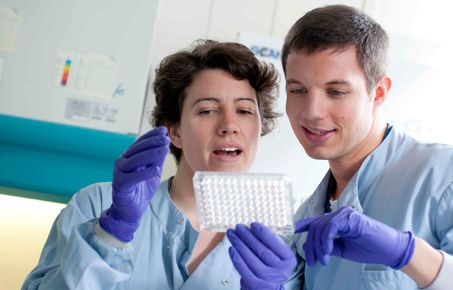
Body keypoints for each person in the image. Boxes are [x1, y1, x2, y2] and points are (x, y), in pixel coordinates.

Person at [22, 40, 302, 289]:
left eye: (244, 111)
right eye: (207, 110)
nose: (229, 125)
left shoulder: (279, 245)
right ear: (175, 131)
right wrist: (111, 235)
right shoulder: (96, 205)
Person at [280, 4, 452, 290]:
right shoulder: (305, 219)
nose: (312, 111)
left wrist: (408, 254)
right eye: (297, 90)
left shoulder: (443, 176)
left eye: (336, 92)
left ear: (379, 92)